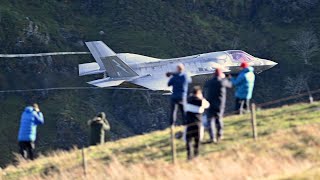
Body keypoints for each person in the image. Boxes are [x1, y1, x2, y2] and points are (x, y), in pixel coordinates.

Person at [204, 68, 232, 143]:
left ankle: (212, 137)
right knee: (219, 119)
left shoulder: (210, 82)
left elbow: (206, 84)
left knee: (210, 121)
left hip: (210, 104)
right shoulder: (222, 82)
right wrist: (225, 78)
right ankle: (220, 135)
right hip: (219, 104)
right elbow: (230, 85)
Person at [185, 86, 210, 160]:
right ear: (199, 93)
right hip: (198, 123)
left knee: (188, 140)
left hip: (189, 123)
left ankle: (189, 156)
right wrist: (202, 98)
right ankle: (196, 155)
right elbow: (207, 105)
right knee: (197, 141)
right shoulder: (201, 101)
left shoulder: (188, 100)